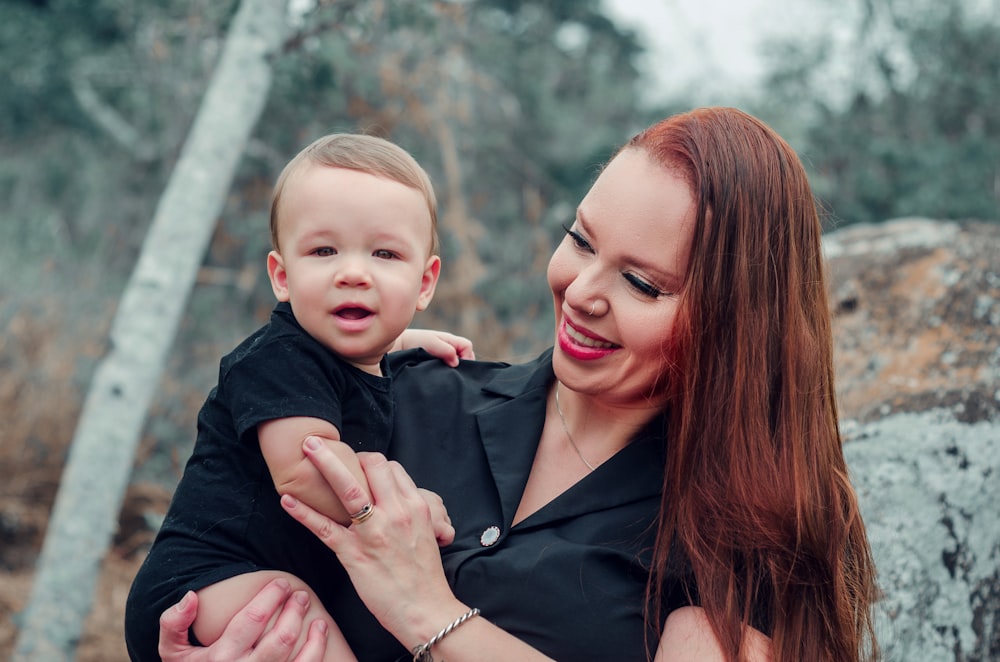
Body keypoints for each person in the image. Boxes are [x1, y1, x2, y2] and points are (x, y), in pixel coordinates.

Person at [130, 107, 880, 662]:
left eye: (642, 284)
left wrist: (431, 614)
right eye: (580, 240)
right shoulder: (406, 397)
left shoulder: (731, 541)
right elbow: (233, 567)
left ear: (734, 325)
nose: (582, 290)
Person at [124, 133, 473, 661]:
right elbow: (304, 467)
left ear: (423, 284)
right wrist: (408, 509)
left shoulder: (341, 355)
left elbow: (350, 358)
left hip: (245, 579)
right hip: (204, 583)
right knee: (299, 613)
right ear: (282, 276)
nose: (352, 272)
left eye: (384, 253)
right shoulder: (277, 359)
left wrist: (400, 341)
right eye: (323, 250)